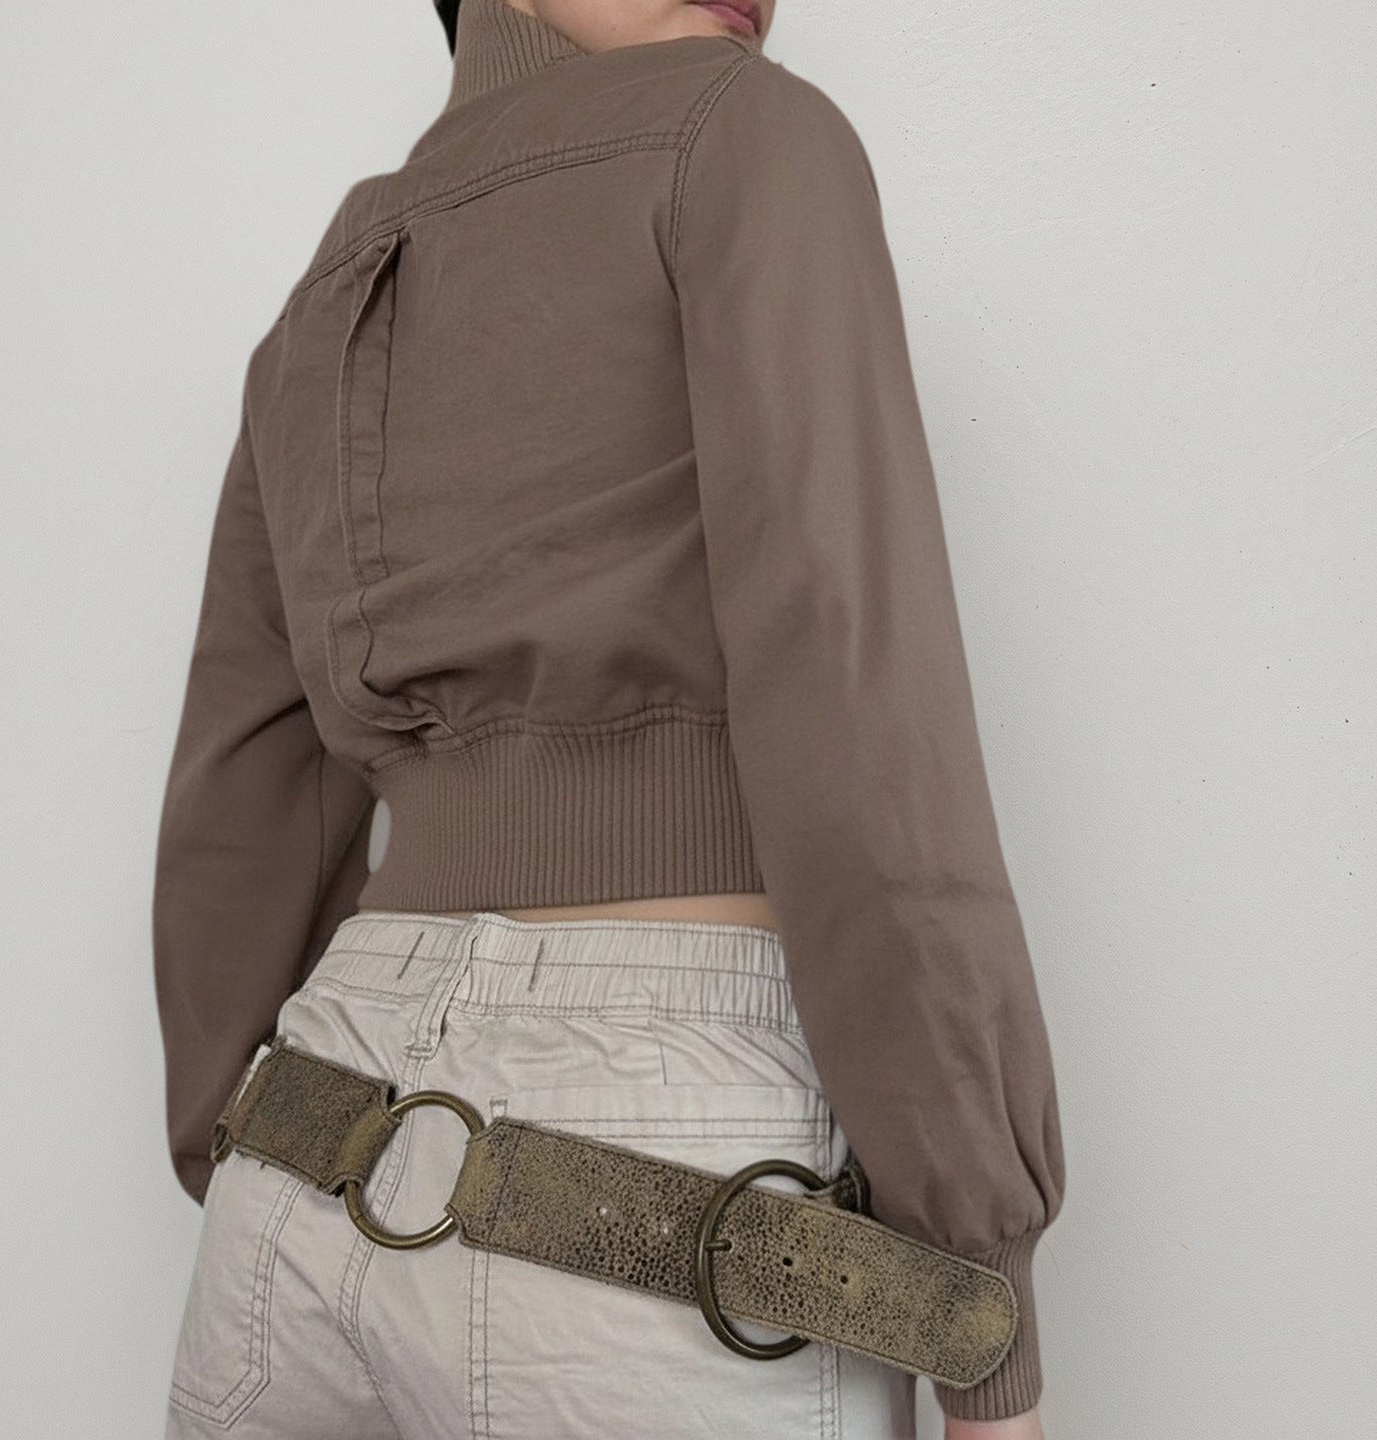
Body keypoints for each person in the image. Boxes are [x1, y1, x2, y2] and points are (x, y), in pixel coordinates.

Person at [152, 1, 1065, 1436]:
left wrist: (232, 1141)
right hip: (658, 1167)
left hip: (305, 1166)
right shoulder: (740, 134)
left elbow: (239, 789)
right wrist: (973, 1299)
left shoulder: (327, 286)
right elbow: (853, 691)